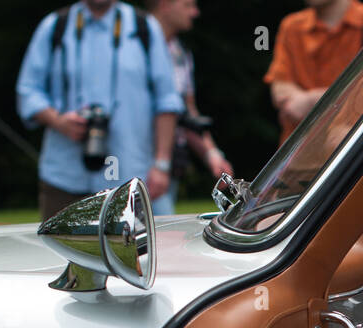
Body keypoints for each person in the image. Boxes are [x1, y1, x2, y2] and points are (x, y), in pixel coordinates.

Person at [16, 0, 183, 221]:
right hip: (65, 176)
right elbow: (27, 91)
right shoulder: (55, 26)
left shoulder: (144, 27)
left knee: (134, 254)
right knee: (60, 254)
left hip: (129, 178)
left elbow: (167, 100)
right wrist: (59, 122)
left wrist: (162, 164)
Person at [144, 0, 233, 215]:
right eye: (188, 5)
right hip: (130, 160)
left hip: (168, 163)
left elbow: (186, 114)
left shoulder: (180, 53)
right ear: (165, 5)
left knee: (154, 234)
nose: (195, 12)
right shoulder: (130, 43)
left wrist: (212, 153)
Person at [264, 0, 363, 144]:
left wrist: (310, 101)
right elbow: (280, 90)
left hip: (355, 154)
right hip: (299, 158)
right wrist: (342, 104)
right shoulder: (292, 26)